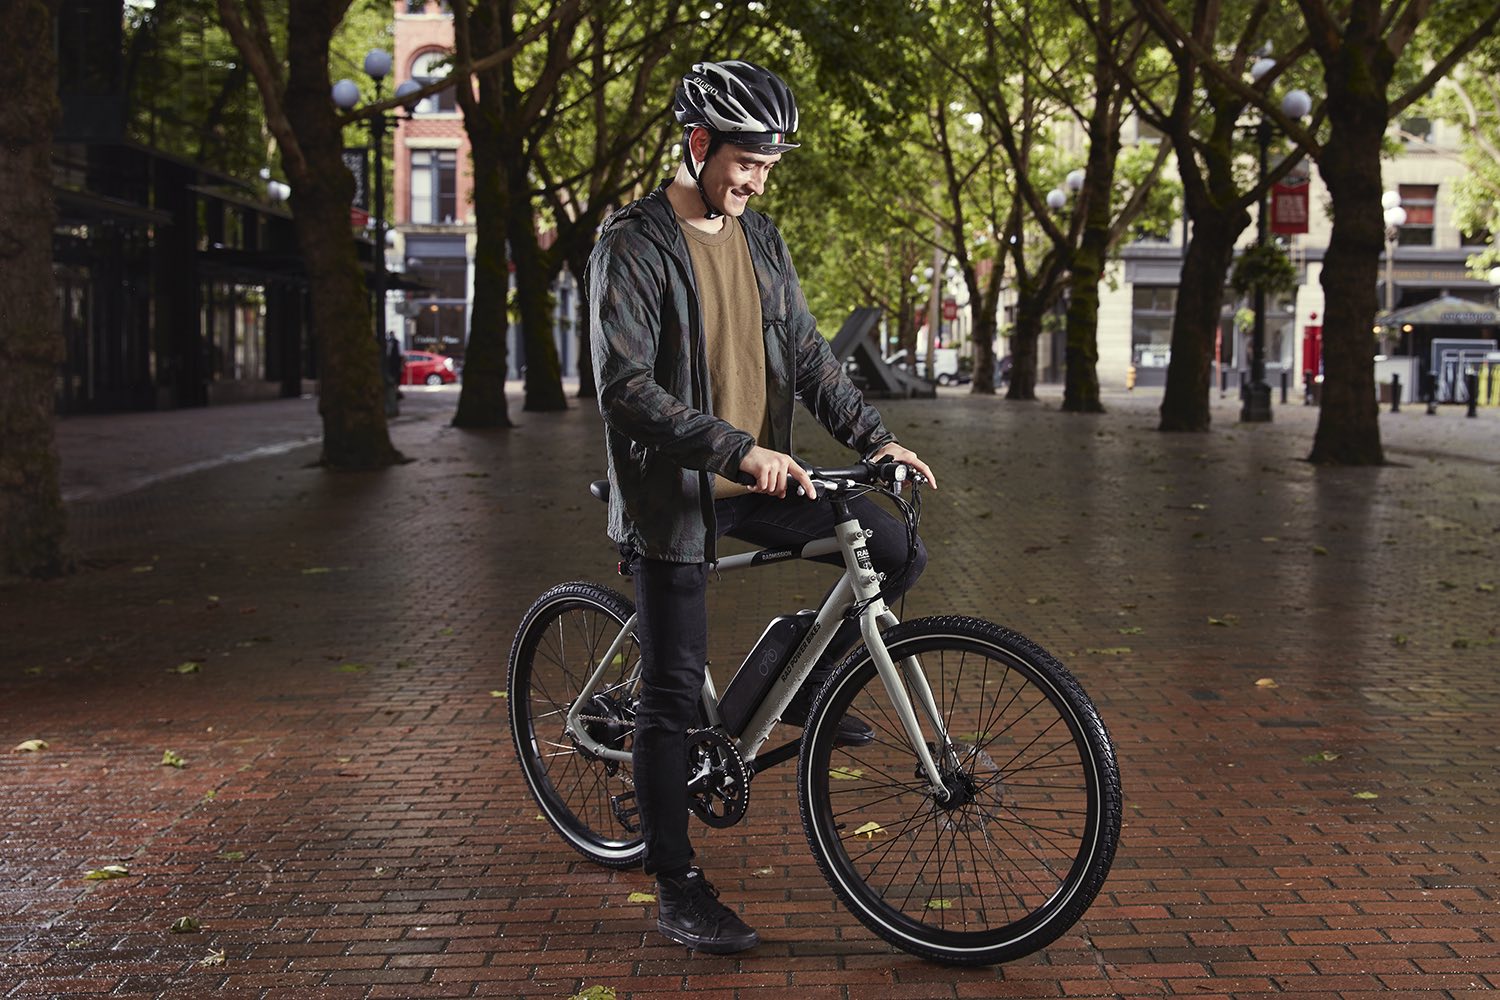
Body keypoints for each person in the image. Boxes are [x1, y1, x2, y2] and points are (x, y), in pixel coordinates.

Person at [587, 59, 937, 955]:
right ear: (698, 144)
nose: (754, 179)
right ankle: (677, 885)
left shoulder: (761, 240)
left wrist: (873, 439)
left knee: (891, 543)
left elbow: (813, 357)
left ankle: (797, 675)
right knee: (671, 693)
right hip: (677, 493)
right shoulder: (632, 243)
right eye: (744, 160)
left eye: (768, 165)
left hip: (759, 474)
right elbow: (625, 387)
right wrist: (737, 448)